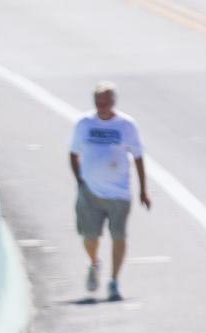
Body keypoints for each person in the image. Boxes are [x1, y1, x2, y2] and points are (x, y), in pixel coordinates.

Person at [70, 81, 150, 302]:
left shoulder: (126, 125)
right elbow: (73, 153)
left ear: (113, 102)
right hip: (90, 191)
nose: (101, 106)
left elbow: (138, 157)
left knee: (119, 236)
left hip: (119, 193)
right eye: (98, 102)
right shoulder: (84, 124)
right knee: (89, 237)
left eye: (105, 102)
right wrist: (80, 181)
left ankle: (114, 280)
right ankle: (94, 262)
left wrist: (143, 189)